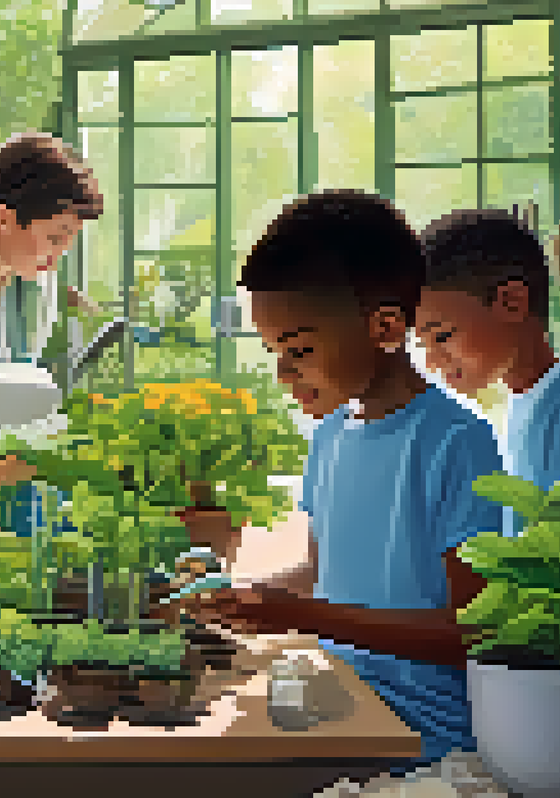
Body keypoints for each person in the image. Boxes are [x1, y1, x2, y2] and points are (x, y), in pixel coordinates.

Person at [185, 191, 504, 769]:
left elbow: (472, 634)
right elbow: (321, 571)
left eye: (299, 350)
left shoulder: (458, 440)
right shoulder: (332, 433)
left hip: (422, 741)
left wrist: (300, 616)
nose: (284, 374)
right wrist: (245, 599)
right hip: (338, 705)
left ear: (385, 327)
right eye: (274, 353)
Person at [416, 209, 560, 574]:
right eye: (423, 344)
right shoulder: (523, 400)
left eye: (442, 336)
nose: (432, 361)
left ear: (512, 303)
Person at [0, 133, 104, 536]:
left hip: (5, 474)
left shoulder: (37, 288)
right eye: (54, 238)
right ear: (3, 218)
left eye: (68, 242)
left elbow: (21, 388)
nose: (59, 254)